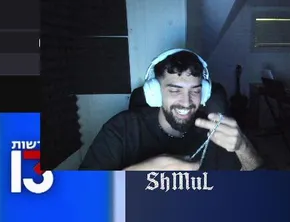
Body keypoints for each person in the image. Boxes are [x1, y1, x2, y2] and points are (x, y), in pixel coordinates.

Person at [80, 49, 261, 171]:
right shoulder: (121, 129)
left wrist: (243, 146)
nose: (186, 102)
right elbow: (79, 198)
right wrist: (146, 169)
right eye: (175, 90)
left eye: (195, 90)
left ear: (205, 93)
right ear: (154, 92)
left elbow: (260, 188)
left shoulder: (214, 131)